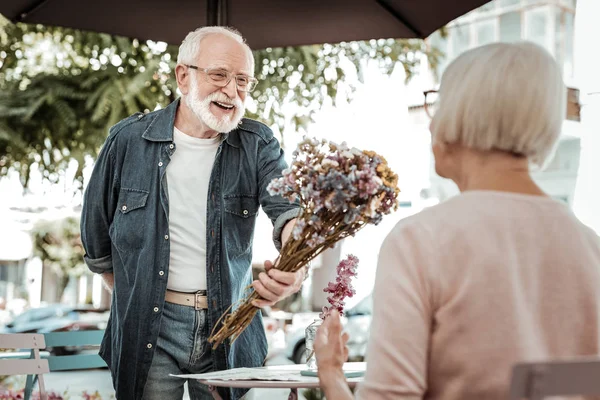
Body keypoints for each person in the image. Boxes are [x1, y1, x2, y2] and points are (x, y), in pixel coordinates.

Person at [314, 41, 600, 400]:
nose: (432, 123)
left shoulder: (421, 241)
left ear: (462, 114)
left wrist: (331, 376)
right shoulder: (590, 246)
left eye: (439, 103)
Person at [80, 26, 304, 400]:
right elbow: (96, 239)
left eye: (243, 80)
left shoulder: (258, 142)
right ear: (183, 76)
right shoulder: (127, 141)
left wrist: (297, 263)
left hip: (229, 325)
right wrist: (133, 294)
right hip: (150, 324)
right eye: (219, 75)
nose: (232, 91)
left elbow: (289, 210)